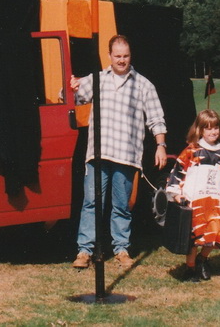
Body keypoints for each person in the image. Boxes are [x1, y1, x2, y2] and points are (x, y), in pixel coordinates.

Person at [70, 35, 167, 270]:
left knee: (121, 205)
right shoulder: (97, 80)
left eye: (125, 56)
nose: (122, 60)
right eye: (117, 56)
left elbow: (156, 119)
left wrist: (161, 145)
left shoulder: (143, 85)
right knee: (91, 203)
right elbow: (74, 96)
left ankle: (121, 248)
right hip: (98, 154)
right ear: (109, 56)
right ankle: (85, 251)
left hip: (126, 155)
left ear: (130, 56)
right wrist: (73, 85)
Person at [166, 109, 220, 282]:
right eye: (208, 128)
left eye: (216, 128)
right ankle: (190, 269)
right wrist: (176, 194)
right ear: (200, 130)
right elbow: (178, 172)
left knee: (212, 237)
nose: (213, 132)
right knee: (194, 239)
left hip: (213, 202)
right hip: (194, 201)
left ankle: (202, 260)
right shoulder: (192, 151)